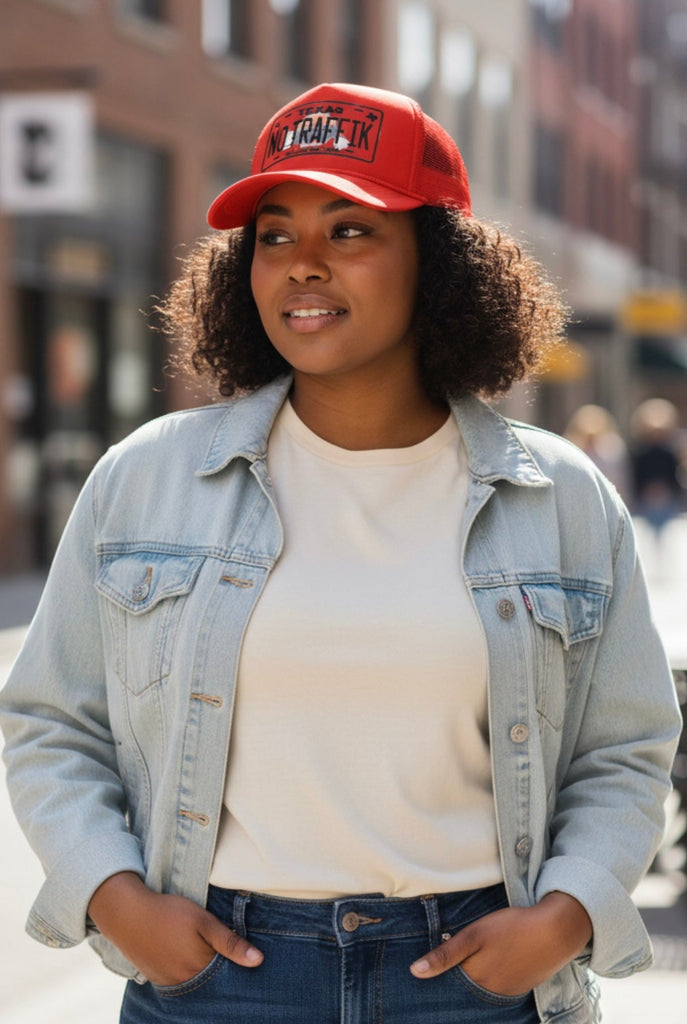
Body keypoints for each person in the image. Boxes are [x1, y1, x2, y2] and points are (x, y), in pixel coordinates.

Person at [0, 82, 681, 1024]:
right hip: (216, 978)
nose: (301, 265)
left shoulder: (558, 497)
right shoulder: (147, 479)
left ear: (436, 262)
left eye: (350, 231)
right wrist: (116, 901)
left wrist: (563, 919)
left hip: (476, 979)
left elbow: (625, 749)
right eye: (274, 235)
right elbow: (49, 725)